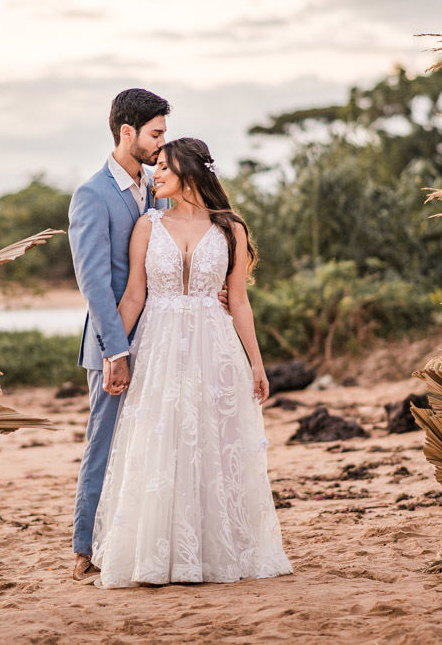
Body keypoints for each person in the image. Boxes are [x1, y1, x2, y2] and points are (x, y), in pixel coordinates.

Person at [90, 137, 293, 588]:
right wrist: (113, 352)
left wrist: (257, 364)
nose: (154, 174)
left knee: (212, 446)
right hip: (158, 347)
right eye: (154, 166)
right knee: (160, 444)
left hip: (214, 348)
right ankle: (158, 555)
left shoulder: (229, 229)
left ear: (187, 171)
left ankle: (212, 551)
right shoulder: (148, 225)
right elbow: (134, 296)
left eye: (163, 167)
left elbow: (238, 300)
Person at [68, 88, 170, 582]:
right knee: (103, 444)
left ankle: (130, 539)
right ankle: (84, 548)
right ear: (127, 132)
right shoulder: (92, 194)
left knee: (146, 444)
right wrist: (117, 351)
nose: (161, 143)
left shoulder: (158, 186)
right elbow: (93, 284)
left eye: (164, 133)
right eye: (155, 133)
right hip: (112, 345)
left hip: (160, 338)